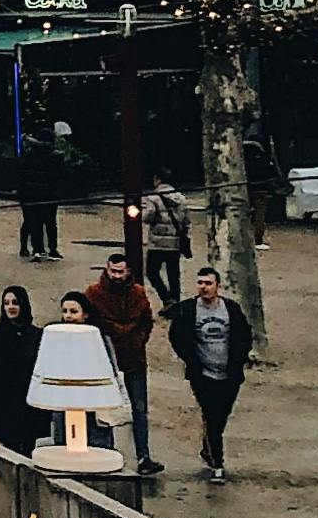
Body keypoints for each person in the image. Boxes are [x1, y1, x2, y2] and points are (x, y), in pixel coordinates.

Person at [165, 264, 254, 479]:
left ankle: (209, 446)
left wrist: (240, 359)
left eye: (208, 283)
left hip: (230, 374)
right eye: (200, 283)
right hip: (203, 375)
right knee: (212, 414)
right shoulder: (188, 310)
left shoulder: (230, 309)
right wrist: (191, 360)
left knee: (221, 415)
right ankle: (217, 462)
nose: (203, 287)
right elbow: (176, 336)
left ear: (218, 287)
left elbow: (244, 335)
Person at [83, 255, 160, 478]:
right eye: (113, 271)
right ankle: (106, 451)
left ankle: (144, 455)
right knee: (104, 410)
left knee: (139, 408)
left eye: (120, 272)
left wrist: (138, 341)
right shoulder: (94, 294)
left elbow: (147, 320)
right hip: (107, 360)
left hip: (134, 358)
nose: (117, 276)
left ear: (127, 272)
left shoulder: (137, 293)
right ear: (106, 270)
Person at [0, 285, 42, 456]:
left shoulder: (36, 335)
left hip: (29, 406)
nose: (10, 307)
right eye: (6, 303)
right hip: (4, 406)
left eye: (15, 303)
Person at [139, 175, 190, 309]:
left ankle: (167, 299)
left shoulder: (153, 198)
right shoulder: (182, 198)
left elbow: (148, 217)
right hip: (175, 244)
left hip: (157, 243)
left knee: (152, 273)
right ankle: (176, 302)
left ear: (158, 180)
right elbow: (186, 222)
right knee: (174, 275)